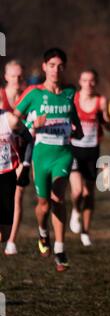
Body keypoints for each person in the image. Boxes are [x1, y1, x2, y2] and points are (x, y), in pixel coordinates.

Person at [15, 48, 83, 272]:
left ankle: (60, 249)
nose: (56, 70)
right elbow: (15, 122)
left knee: (58, 198)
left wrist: (77, 131)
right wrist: (32, 126)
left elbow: (74, 119)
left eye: (60, 65)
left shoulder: (70, 92)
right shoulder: (33, 93)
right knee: (43, 204)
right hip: (41, 155)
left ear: (64, 68)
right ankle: (43, 232)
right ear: (44, 67)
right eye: (51, 65)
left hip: (63, 154)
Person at [69, 69, 110, 246]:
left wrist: (104, 117)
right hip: (73, 149)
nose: (89, 84)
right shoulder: (73, 99)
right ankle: (75, 210)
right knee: (78, 191)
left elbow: (109, 127)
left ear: (96, 83)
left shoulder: (101, 101)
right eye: (85, 80)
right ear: (80, 81)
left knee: (89, 193)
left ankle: (86, 232)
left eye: (92, 81)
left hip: (92, 151)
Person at [0, 60, 30, 255]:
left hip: (21, 153)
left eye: (20, 76)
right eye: (13, 76)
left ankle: (11, 240)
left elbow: (29, 132)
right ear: (6, 77)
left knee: (18, 196)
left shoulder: (30, 96)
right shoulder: (1, 96)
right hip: (7, 150)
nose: (17, 79)